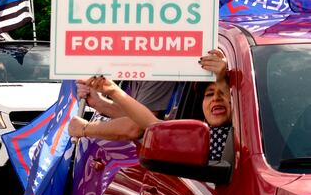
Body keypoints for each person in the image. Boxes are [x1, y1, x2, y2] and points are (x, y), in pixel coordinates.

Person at [69, 49, 232, 160]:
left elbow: (139, 126)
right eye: (209, 94)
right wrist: (102, 102)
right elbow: (151, 124)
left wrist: (85, 129)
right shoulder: (199, 135)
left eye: (223, 93)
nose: (216, 98)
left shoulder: (243, 134)